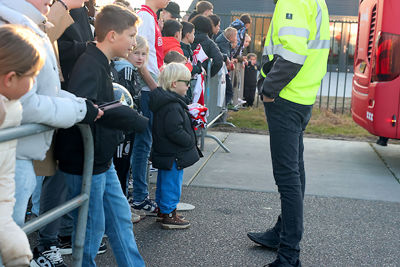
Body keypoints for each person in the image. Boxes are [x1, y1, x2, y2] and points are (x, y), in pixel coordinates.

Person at [54, 5, 148, 266]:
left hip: (99, 159)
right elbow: (87, 107)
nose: (133, 42)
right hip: (85, 161)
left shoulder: (99, 60)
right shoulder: (90, 63)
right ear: (112, 36)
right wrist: (132, 119)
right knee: (91, 230)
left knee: (119, 221)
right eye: (131, 36)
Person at [0, 0, 101, 232]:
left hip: (19, 152)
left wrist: (80, 104)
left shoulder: (25, 22)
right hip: (11, 155)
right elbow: (25, 102)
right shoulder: (12, 25)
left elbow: (46, 91)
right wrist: (80, 110)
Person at [246, 0, 330, 266]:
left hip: (286, 97)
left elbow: (293, 54)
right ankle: (281, 234)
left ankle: (289, 255)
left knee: (287, 177)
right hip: (301, 96)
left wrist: (269, 90)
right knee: (295, 170)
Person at [0, 24, 45, 267]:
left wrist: (17, 253)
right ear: (10, 79)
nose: (34, 83)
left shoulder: (12, 110)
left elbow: (3, 192)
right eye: (32, 77)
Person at [149, 62, 201, 229]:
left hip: (166, 152)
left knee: (164, 181)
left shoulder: (166, 102)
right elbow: (174, 130)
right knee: (172, 183)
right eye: (186, 82)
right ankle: (169, 214)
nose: (188, 86)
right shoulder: (172, 105)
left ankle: (163, 210)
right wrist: (190, 140)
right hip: (173, 153)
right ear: (174, 84)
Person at [131, 0, 169, 217]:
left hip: (150, 86)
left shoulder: (150, 17)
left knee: (144, 143)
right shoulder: (145, 17)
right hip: (147, 89)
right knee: (142, 143)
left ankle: (139, 195)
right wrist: (154, 86)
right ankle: (139, 196)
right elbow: (139, 54)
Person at [113, 35, 154, 223]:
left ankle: (122, 205)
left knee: (123, 168)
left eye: (143, 54)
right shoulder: (127, 70)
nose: (140, 58)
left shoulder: (132, 70)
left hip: (126, 125)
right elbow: (126, 99)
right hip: (123, 127)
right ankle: (120, 210)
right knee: (120, 168)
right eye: (136, 52)